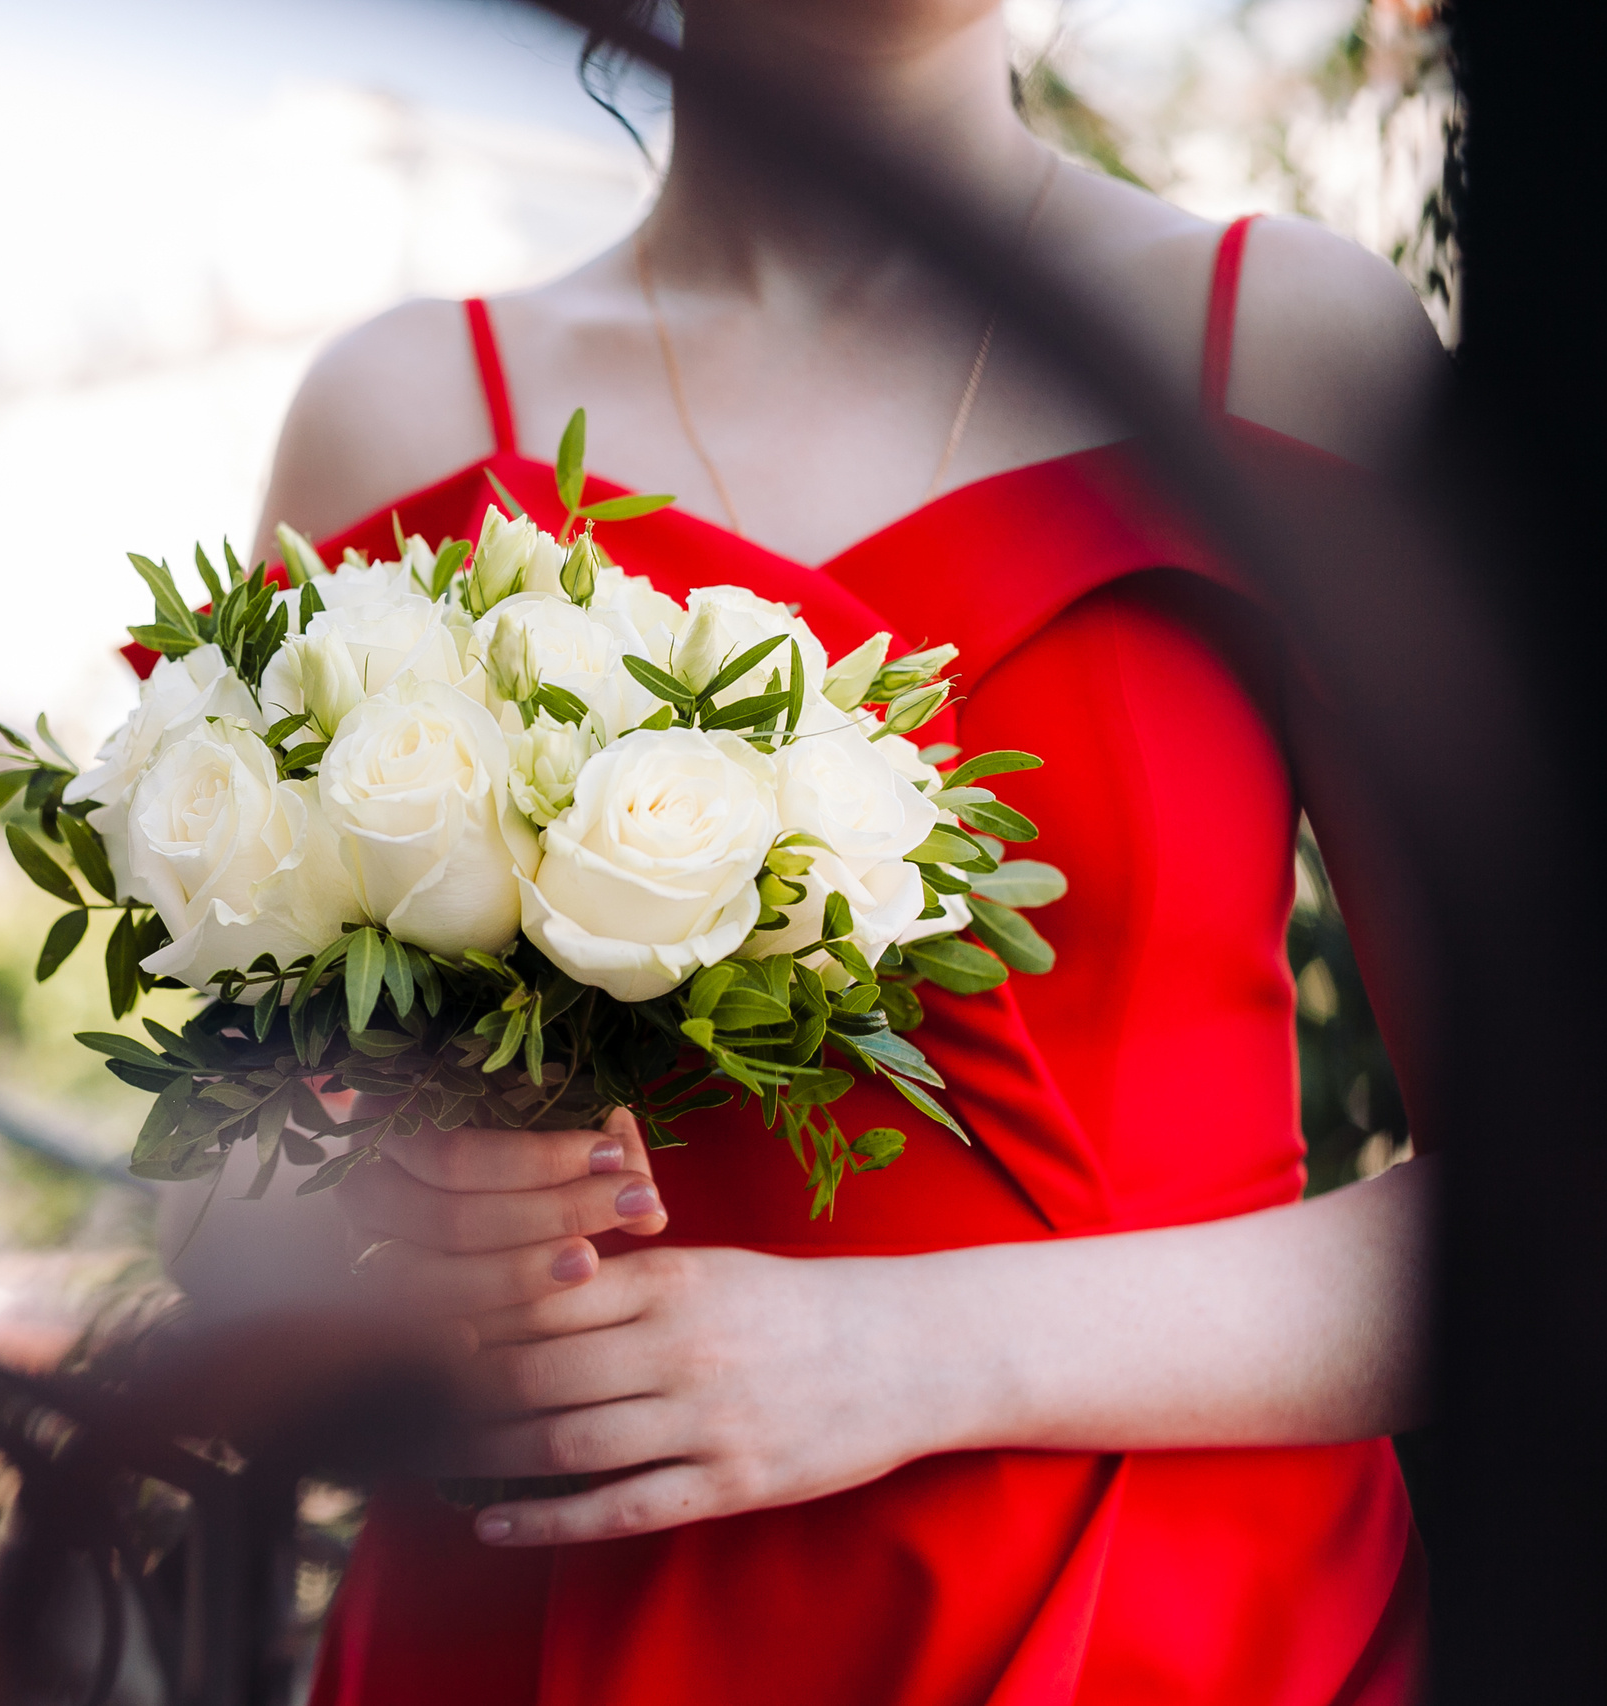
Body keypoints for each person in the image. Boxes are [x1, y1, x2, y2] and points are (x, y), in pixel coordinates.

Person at [241, 1, 1447, 1699]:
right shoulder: (403, 417)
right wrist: (391, 1216)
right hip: (542, 1623)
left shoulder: (1287, 345)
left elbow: (1562, 1204)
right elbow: (236, 1197)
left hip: (1169, 1629)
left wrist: (904, 1351)